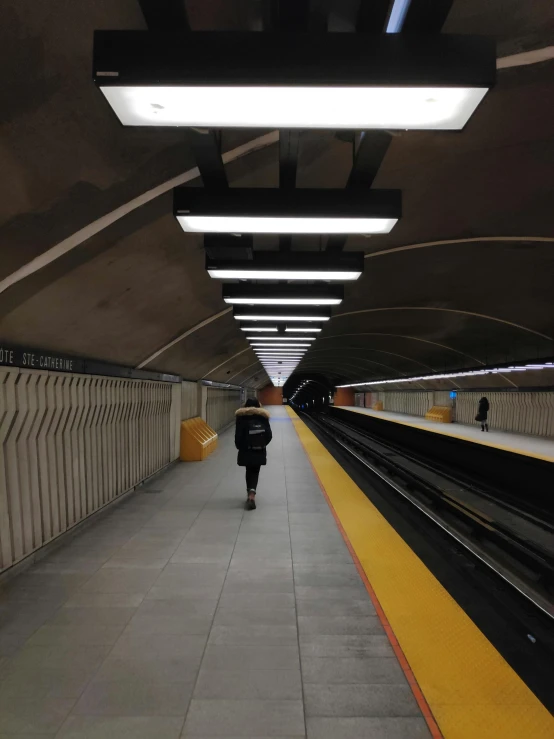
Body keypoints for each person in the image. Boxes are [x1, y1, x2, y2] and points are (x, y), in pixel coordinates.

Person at [235, 399, 272, 510]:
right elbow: (269, 435)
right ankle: (252, 494)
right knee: (255, 471)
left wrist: (240, 447)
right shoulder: (263, 417)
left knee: (248, 470)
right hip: (259, 449)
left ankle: (250, 493)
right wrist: (262, 444)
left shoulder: (241, 417)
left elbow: (238, 436)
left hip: (246, 449)